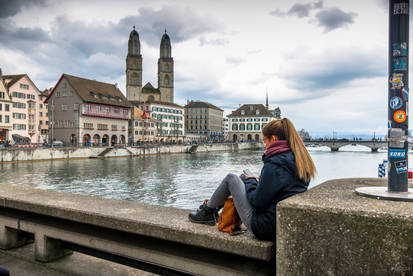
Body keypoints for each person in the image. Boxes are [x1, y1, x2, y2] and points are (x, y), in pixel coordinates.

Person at [188, 118, 316, 241]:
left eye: (265, 140)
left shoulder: (274, 163)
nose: (265, 145)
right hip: (283, 221)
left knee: (232, 178)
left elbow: (257, 203)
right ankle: (211, 209)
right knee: (243, 178)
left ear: (274, 139)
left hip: (264, 227)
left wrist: (251, 182)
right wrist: (261, 182)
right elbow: (284, 188)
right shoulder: (299, 160)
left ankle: (208, 212)